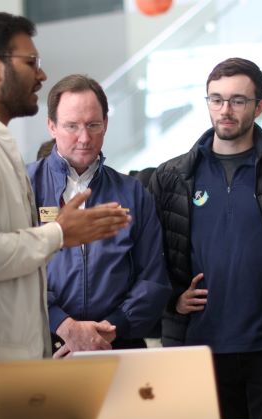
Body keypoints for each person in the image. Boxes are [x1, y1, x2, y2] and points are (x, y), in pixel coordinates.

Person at [0, 13, 131, 419]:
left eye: (93, 125)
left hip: (18, 365)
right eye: (30, 62)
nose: (41, 74)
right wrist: (60, 233)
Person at [149, 57, 262, 419]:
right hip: (201, 350)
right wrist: (174, 298)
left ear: (259, 106)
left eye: (238, 100)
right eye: (216, 99)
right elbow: (154, 255)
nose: (225, 110)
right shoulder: (173, 176)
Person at [27, 74, 170, 355]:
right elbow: (14, 270)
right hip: (45, 345)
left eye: (93, 125)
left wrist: (108, 329)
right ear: (51, 126)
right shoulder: (24, 186)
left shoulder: (133, 193)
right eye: (72, 126)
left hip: (118, 343)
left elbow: (153, 278)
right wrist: (65, 326)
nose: (84, 137)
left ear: (105, 124)